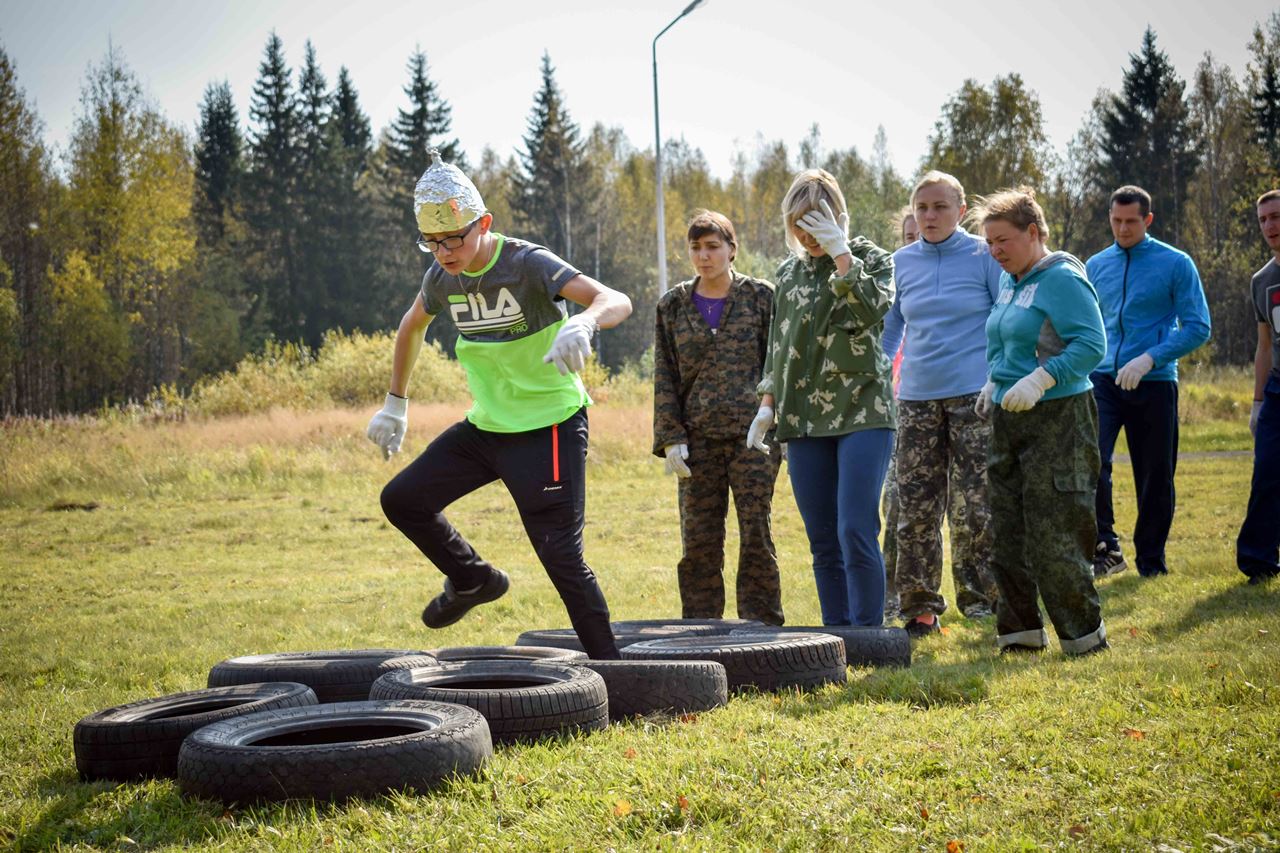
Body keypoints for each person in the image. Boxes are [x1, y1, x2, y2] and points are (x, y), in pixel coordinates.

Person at [367, 151, 633, 659]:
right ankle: (473, 579)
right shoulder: (441, 277)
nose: (444, 252)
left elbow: (615, 299)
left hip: (549, 426)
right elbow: (412, 325)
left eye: (453, 238)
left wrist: (584, 321)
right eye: (432, 241)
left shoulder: (526, 262)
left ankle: (612, 671)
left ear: (484, 224)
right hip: (487, 429)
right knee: (402, 499)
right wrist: (394, 403)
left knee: (560, 555)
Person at [750, 169, 896, 627]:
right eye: (800, 224)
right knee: (823, 538)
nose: (808, 235)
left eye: (817, 222)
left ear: (838, 217)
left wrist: (842, 256)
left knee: (855, 527)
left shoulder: (872, 259)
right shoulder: (787, 273)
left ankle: (869, 637)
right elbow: (778, 344)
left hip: (863, 411)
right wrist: (767, 405)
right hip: (803, 419)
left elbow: (872, 309)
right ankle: (837, 638)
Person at [977, 187, 1108, 656]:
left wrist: (1041, 378)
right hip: (1009, 416)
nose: (995, 251)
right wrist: (995, 381)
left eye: (1003, 240)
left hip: (1059, 416)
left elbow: (1091, 345)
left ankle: (1083, 639)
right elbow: (1009, 339)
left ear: (1033, 232)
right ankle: (1020, 635)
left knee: (1055, 534)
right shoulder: (1010, 279)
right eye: (989, 243)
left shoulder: (1062, 278)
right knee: (1006, 532)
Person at [882, 171, 1003, 636]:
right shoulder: (901, 262)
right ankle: (920, 609)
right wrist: (881, 366)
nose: (929, 216)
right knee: (915, 508)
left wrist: (999, 377)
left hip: (975, 397)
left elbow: (1005, 317)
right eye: (921, 207)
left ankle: (993, 600)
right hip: (915, 399)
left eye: (939, 207)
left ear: (961, 210)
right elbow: (892, 326)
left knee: (980, 505)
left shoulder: (983, 255)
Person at [652, 210, 784, 625]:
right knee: (699, 541)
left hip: (753, 438)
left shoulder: (761, 298)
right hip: (698, 441)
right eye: (696, 247)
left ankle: (761, 625)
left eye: (713, 246)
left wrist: (772, 413)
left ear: (732, 250)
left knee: (756, 533)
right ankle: (700, 627)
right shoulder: (672, 306)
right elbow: (664, 375)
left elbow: (777, 362)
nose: (704, 256)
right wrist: (671, 437)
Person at [1086, 186, 1211, 579]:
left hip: (1154, 381)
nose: (1123, 229)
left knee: (1155, 474)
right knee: (1091, 461)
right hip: (1102, 380)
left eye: (1131, 221)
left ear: (1148, 219)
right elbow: (1084, 324)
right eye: (1116, 220)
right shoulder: (1094, 266)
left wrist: (1150, 357)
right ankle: (1107, 546)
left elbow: (1198, 326)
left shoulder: (1176, 263)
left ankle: (1151, 562)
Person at [1238, 189, 1280, 584]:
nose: (1270, 225)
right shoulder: (1261, 281)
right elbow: (1264, 345)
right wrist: (1257, 403)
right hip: (1277, 393)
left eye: (1276, 216)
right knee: (1266, 471)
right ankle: (1259, 561)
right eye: (1263, 219)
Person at [882, 208, 916, 621]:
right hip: (899, 411)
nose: (915, 241)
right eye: (908, 236)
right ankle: (891, 596)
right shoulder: (891, 289)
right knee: (897, 503)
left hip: (954, 400)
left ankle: (979, 598)